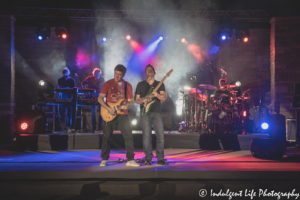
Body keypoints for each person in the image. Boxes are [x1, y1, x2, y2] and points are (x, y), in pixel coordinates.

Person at [98, 64, 140, 167]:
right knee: (106, 137)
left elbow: (130, 102)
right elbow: (100, 99)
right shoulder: (107, 84)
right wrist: (108, 109)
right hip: (108, 113)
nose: (117, 76)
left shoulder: (128, 86)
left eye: (119, 75)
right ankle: (104, 159)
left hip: (123, 114)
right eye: (115, 74)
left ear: (123, 75)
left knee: (128, 136)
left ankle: (130, 159)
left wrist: (127, 106)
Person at [135, 64, 169, 166]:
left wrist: (157, 95)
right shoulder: (140, 84)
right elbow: (137, 99)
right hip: (145, 113)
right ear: (145, 74)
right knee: (146, 136)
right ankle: (148, 158)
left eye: (151, 70)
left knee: (161, 136)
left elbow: (163, 98)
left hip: (156, 112)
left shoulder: (160, 84)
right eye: (147, 70)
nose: (149, 71)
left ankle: (160, 158)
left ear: (154, 72)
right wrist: (143, 101)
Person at [82, 68, 105, 132]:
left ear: (100, 74)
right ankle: (93, 127)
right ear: (93, 73)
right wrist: (86, 91)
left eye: (98, 74)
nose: (97, 75)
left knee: (101, 112)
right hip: (92, 97)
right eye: (95, 74)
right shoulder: (89, 78)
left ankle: (100, 126)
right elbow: (82, 83)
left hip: (99, 97)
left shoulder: (102, 79)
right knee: (93, 112)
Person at [57, 67, 75, 132]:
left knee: (69, 114)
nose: (65, 73)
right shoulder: (60, 80)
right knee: (61, 114)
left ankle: (68, 127)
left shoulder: (72, 80)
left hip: (69, 98)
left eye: (66, 72)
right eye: (64, 72)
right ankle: (63, 128)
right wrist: (66, 88)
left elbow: (74, 89)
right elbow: (60, 88)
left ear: (68, 72)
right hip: (62, 98)